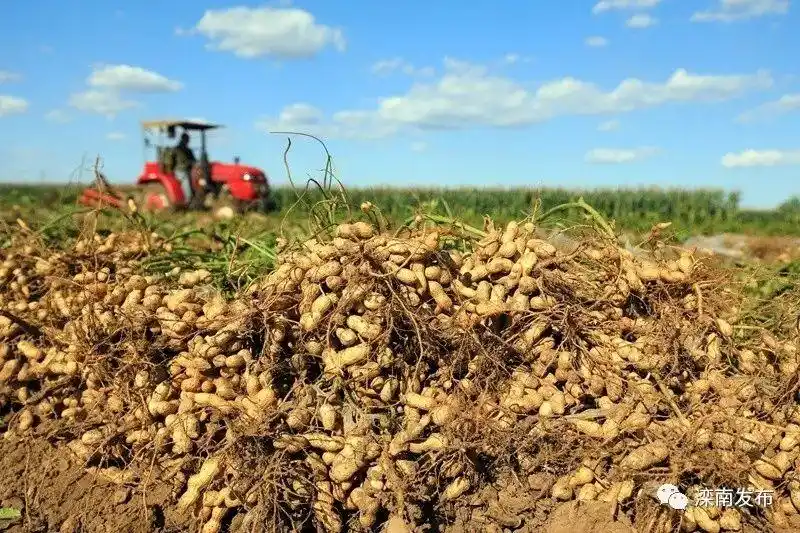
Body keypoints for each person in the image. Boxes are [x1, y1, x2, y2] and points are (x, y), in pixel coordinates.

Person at [173, 132, 196, 206]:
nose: (188, 141)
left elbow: (194, 160)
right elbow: (173, 161)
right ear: (183, 139)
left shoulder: (188, 150)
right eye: (187, 139)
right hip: (180, 171)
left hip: (188, 170)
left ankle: (195, 198)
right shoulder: (177, 149)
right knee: (185, 181)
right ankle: (188, 201)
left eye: (188, 139)